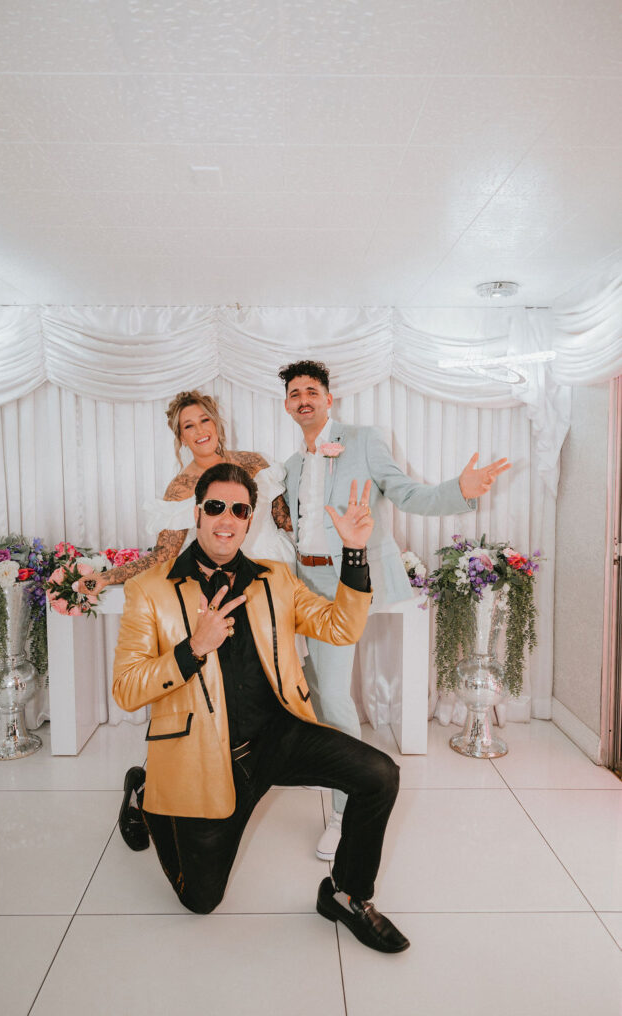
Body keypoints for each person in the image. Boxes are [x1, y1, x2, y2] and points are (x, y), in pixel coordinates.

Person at [113, 461, 410, 954]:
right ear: (197, 512)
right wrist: (192, 648)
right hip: (204, 758)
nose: (226, 519)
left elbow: (340, 628)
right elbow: (126, 688)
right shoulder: (150, 590)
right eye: (215, 507)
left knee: (378, 774)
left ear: (250, 520)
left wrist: (354, 552)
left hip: (279, 735)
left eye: (239, 510)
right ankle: (146, 793)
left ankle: (346, 895)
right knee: (201, 901)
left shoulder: (274, 578)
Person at [280, 359, 511, 859]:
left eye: (312, 391)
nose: (304, 399)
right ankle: (329, 770)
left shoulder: (362, 440)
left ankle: (346, 811)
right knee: (316, 687)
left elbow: (405, 492)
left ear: (328, 398)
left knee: (336, 697)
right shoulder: (292, 465)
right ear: (287, 405)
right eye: (295, 392)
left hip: (349, 577)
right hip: (304, 582)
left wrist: (459, 492)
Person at [78, 389, 294, 597]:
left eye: (204, 420)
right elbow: (163, 555)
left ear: (216, 423)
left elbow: (285, 521)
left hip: (280, 569)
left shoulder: (254, 463)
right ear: (181, 436)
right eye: (189, 426)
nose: (200, 431)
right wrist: (106, 578)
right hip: (227, 583)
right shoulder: (181, 488)